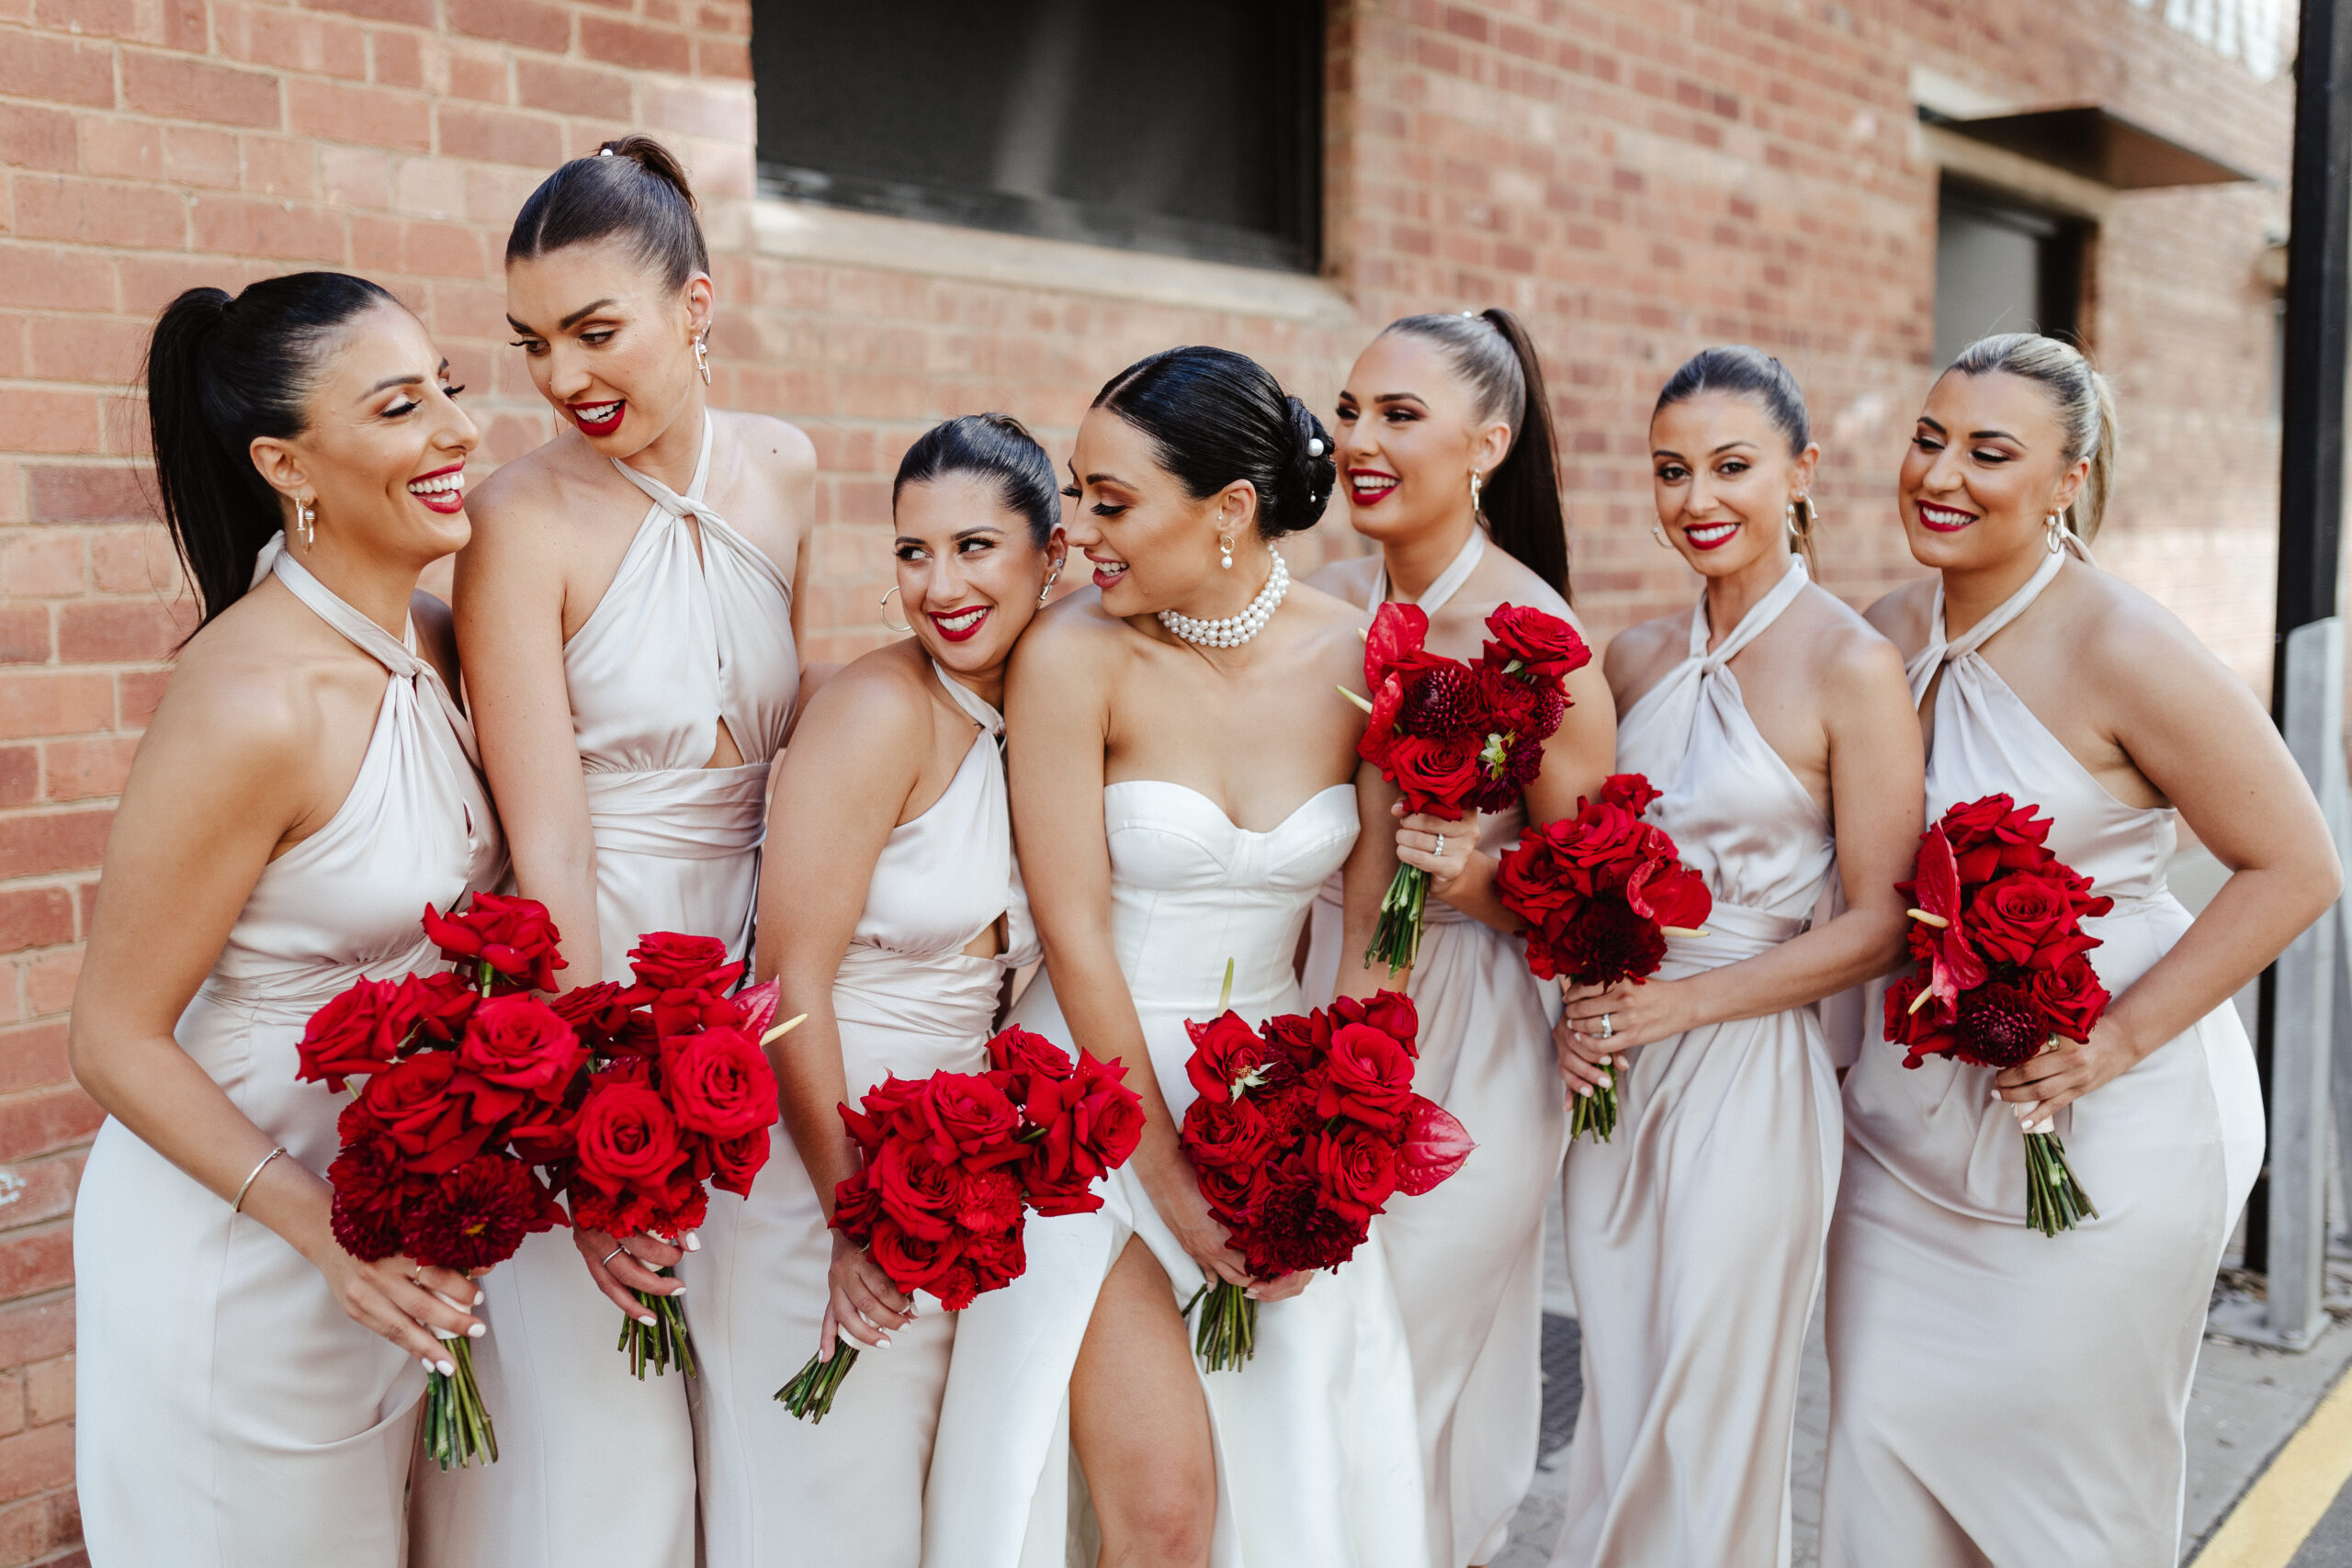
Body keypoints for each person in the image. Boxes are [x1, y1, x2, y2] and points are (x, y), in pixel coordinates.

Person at [1821, 333, 2337, 1568]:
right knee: (1878, 1460)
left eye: (1990, 451)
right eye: (1930, 438)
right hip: (1905, 1144)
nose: (1941, 473)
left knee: (2065, 1508)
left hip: (2113, 1128)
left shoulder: (2123, 644)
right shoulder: (1876, 633)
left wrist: (2113, 1041)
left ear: (2068, 478)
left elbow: (2299, 862)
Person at [922, 347, 1426, 1567]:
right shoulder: (1074, 655)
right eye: (1079, 494)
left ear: (1230, 511)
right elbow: (1077, 933)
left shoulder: (1367, 661)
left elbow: (1374, 932)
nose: (1080, 531)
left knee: (1286, 1490)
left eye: (1112, 500)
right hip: (1089, 1105)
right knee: (1162, 1511)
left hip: (1273, 1098)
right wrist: (1180, 1189)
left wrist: (1328, 1153)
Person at [413, 136, 814, 1568]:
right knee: (605, 1456)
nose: (564, 378)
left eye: (598, 331)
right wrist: (591, 1129)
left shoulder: (787, 469)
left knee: (760, 1428)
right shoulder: (516, 516)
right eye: (531, 344)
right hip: (606, 968)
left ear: (698, 306)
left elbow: (810, 759)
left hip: (760, 976)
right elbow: (552, 843)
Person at [72, 274, 504, 1566]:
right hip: (246, 1245)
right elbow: (112, 1034)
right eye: (398, 404)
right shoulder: (250, 698)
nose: (456, 430)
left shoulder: (440, 639)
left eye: (449, 388)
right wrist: (326, 1234)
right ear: (285, 463)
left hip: (386, 1243)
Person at [1547, 347, 1923, 1567]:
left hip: (1753, 1072)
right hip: (1621, 1080)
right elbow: (1587, 869)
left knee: (1709, 1409)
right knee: (1621, 1390)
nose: (1697, 497)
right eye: (1671, 470)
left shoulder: (1852, 664)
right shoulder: (1634, 658)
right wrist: (1578, 1002)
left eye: (1731, 466)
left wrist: (1687, 1004)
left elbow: (1879, 918)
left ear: (1802, 472)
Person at [692, 414, 1065, 1566]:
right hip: (826, 1174)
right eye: (912, 552)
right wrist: (852, 1217)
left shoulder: (1041, 719)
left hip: (954, 1184)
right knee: (821, 1517)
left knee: (913, 1520)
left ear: (1050, 557)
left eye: (974, 548)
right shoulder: (879, 711)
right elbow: (785, 981)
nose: (938, 586)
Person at [1301, 308, 1613, 1568]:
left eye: (1399, 416)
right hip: (1314, 1006)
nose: (1360, 440)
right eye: (1351, 409)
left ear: (1488, 442)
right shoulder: (1317, 606)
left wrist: (1472, 877)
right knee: (1309, 1384)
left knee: (1393, 1387)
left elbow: (1596, 906)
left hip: (1470, 1050)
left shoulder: (1543, 644)